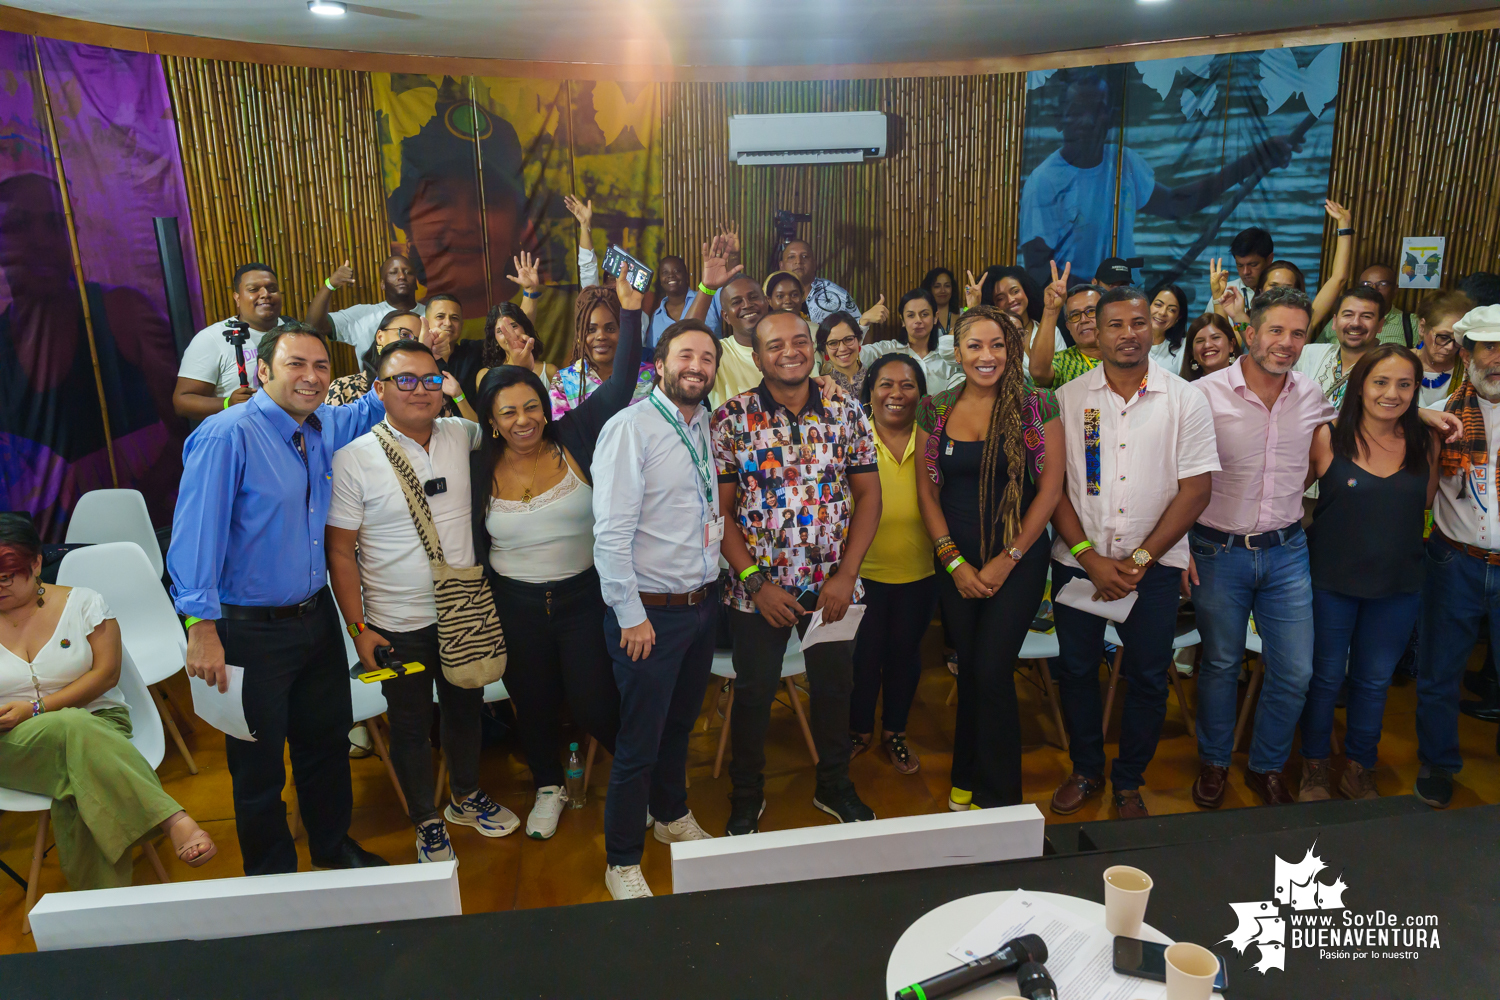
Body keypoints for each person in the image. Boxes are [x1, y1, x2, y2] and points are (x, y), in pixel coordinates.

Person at [168, 322, 389, 874]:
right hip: (247, 632)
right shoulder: (227, 435)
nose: (311, 377)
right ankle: (272, 876)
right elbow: (196, 535)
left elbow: (368, 408)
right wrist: (201, 627)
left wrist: (412, 360)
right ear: (263, 371)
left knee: (326, 747)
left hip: (315, 622)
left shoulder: (319, 426)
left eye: (321, 367)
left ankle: (333, 849)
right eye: (296, 365)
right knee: (259, 767)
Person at [326, 339, 518, 863]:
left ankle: (465, 795)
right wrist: (359, 629)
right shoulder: (353, 459)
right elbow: (340, 552)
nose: (420, 390)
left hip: (465, 612)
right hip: (395, 623)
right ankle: (425, 820)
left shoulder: (463, 435)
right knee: (409, 724)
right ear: (379, 390)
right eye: (404, 380)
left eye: (431, 379)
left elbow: (508, 432)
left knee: (467, 708)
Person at [473, 272, 646, 839]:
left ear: (545, 407)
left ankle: (635, 783)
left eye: (530, 407)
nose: (523, 420)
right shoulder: (477, 466)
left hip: (581, 597)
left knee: (597, 702)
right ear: (491, 421)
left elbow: (620, 387)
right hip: (514, 604)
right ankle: (548, 787)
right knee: (534, 703)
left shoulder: (575, 434)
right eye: (508, 412)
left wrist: (631, 314)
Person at [1048, 288, 1219, 819]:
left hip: (1155, 571)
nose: (1128, 333)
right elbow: (1053, 488)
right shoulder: (1069, 399)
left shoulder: (1185, 397)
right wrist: (1089, 557)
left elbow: (1196, 490)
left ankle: (1128, 781)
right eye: (1115, 324)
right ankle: (1086, 769)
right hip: (1078, 564)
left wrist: (1140, 561)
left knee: (1147, 676)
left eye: (1139, 322)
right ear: (1094, 334)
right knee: (1076, 671)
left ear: (1154, 329)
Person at [715, 311, 883, 834]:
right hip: (757, 592)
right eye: (774, 345)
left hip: (832, 585)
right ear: (757, 355)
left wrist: (844, 575)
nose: (789, 351)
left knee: (835, 687)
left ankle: (834, 785)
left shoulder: (845, 408)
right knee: (754, 692)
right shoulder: (730, 419)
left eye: (799, 341)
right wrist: (754, 583)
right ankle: (747, 793)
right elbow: (718, 515)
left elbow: (869, 495)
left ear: (814, 347)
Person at [0, 514, 216, 889]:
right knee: (76, 742)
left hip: (100, 724)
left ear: (36, 562)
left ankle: (99, 923)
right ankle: (169, 818)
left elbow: (107, 675)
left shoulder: (84, 602)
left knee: (76, 771)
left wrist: (37, 708)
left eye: (6, 576)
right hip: (13, 745)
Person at [1187, 286, 1334, 808]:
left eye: (1298, 333)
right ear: (1248, 334)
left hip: (1287, 551)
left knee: (1296, 669)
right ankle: (1215, 762)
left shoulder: (1312, 394)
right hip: (1215, 549)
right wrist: (1177, 547)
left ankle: (1268, 765)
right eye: (1276, 330)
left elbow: (1365, 423)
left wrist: (1425, 417)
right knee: (1222, 664)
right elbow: (1174, 477)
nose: (1287, 342)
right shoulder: (1203, 394)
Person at [592, 318, 723, 899]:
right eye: (685, 355)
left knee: (678, 727)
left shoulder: (703, 427)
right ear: (661, 364)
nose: (696, 366)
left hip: (699, 606)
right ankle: (621, 859)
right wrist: (629, 615)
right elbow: (610, 535)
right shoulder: (631, 428)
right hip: (648, 614)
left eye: (707, 357)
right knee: (638, 743)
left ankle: (671, 816)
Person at [915, 306, 1064, 809]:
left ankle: (1001, 802)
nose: (987, 355)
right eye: (975, 346)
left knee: (993, 667)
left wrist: (1008, 557)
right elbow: (927, 494)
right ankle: (966, 774)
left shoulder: (1037, 405)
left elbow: (1050, 491)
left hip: (1017, 561)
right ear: (957, 353)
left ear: (1011, 349)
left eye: (997, 345)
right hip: (955, 563)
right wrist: (954, 563)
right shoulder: (933, 409)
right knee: (972, 665)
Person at [1298, 345, 1439, 802]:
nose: (1392, 393)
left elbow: (1426, 505)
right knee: (1323, 679)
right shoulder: (1327, 436)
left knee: (1375, 682)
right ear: (1360, 384)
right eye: (1380, 382)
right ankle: (1315, 766)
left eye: (1404, 383)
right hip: (1330, 584)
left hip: (1397, 586)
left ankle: (1360, 766)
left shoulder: (1426, 441)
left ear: (1417, 389)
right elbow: (1285, 499)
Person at [1018, 70, 1302, 289]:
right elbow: (1039, 269)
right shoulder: (1044, 182)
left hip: (1124, 302)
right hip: (1077, 313)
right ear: (1060, 120)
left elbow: (1178, 204)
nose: (1089, 121)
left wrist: (1256, 157)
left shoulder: (1123, 161)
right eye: (1078, 111)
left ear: (1110, 118)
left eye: (1098, 110)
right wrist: (1097, 293)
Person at [1414, 305, 1500, 808]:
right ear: (1466, 354)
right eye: (1487, 347)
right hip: (1454, 560)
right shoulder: (1440, 414)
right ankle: (1439, 763)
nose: (1497, 358)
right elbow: (1425, 497)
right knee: (1440, 674)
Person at [849, 355, 933, 774]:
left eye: (907, 385)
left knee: (904, 654)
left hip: (922, 572)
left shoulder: (935, 438)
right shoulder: (853, 435)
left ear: (921, 393)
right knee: (862, 656)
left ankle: (894, 732)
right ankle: (858, 730)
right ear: (870, 391)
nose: (896, 394)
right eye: (885, 385)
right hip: (861, 574)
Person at [173, 262, 287, 418]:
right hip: (241, 436)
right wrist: (228, 403)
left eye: (272, 289)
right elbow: (182, 401)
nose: (265, 294)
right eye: (253, 289)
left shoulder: (293, 331)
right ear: (237, 298)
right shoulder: (211, 339)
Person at [326, 309, 474, 420]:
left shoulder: (430, 393)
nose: (411, 344)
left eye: (419, 340)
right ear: (380, 337)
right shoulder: (343, 388)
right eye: (404, 334)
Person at [547, 284, 656, 418]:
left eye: (610, 329)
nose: (601, 336)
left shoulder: (651, 376)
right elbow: (561, 435)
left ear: (624, 333)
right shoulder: (563, 382)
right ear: (580, 335)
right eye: (591, 330)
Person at [305, 255, 426, 358]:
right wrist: (330, 284)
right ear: (382, 285)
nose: (401, 277)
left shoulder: (433, 314)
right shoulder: (362, 314)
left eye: (407, 272)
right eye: (393, 272)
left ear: (416, 283)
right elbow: (313, 326)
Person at [1295, 286, 1387, 408]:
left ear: (1380, 325)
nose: (1355, 323)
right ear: (1334, 322)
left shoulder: (1389, 367)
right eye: (1348, 315)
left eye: (1366, 316)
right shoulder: (1309, 354)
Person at [861, 288, 957, 392]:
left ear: (935, 317)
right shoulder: (886, 350)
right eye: (911, 315)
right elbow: (853, 355)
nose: (918, 320)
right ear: (902, 320)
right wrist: (864, 321)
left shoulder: (947, 354)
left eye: (924, 314)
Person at [777, 238, 888, 327]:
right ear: (781, 265)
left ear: (815, 263)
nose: (798, 261)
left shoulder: (838, 296)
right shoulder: (773, 296)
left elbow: (861, 332)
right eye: (791, 257)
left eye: (805, 256)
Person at [1030, 269, 1102, 389]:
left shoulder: (1125, 354)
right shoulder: (1064, 361)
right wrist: (1051, 310)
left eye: (1091, 311)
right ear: (1068, 327)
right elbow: (1039, 372)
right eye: (1075, 315)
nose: (1083, 320)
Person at [476, 300, 555, 391]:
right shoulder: (484, 376)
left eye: (513, 326)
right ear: (495, 340)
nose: (508, 334)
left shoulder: (550, 371)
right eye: (500, 331)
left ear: (525, 329)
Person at [1414, 290, 1475, 406]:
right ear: (1422, 328)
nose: (1450, 347)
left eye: (1458, 340)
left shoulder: (1468, 370)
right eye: (1443, 337)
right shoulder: (1401, 362)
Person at [648, 253, 724, 345]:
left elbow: (731, 290)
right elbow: (654, 354)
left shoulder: (709, 298)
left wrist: (733, 256)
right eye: (665, 272)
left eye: (677, 271)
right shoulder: (656, 317)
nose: (671, 275)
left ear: (686, 276)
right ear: (660, 280)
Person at [817, 311, 868, 399]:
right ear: (825, 349)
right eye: (833, 343)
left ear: (859, 340)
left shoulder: (876, 378)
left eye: (848, 339)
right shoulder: (822, 387)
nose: (842, 348)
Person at [1179, 314, 1242, 381]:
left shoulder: (1247, 378)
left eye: (1215, 338)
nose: (1207, 345)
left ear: (1231, 345)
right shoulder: (1184, 388)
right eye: (1200, 341)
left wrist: (1238, 314)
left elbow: (1249, 333)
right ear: (1192, 352)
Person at [1224, 227, 1275, 310]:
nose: (1245, 272)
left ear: (1269, 259)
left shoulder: (1283, 294)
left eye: (1253, 264)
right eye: (1240, 265)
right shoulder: (1225, 293)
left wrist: (1239, 317)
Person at [1146, 283, 1190, 372]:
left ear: (1178, 317)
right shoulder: (1131, 341)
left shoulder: (1184, 347)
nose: (1162, 312)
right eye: (1158, 305)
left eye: (1171, 310)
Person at [922, 267, 962, 335]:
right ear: (929, 289)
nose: (943, 290)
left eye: (947, 286)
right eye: (937, 286)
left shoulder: (964, 314)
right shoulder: (921, 317)